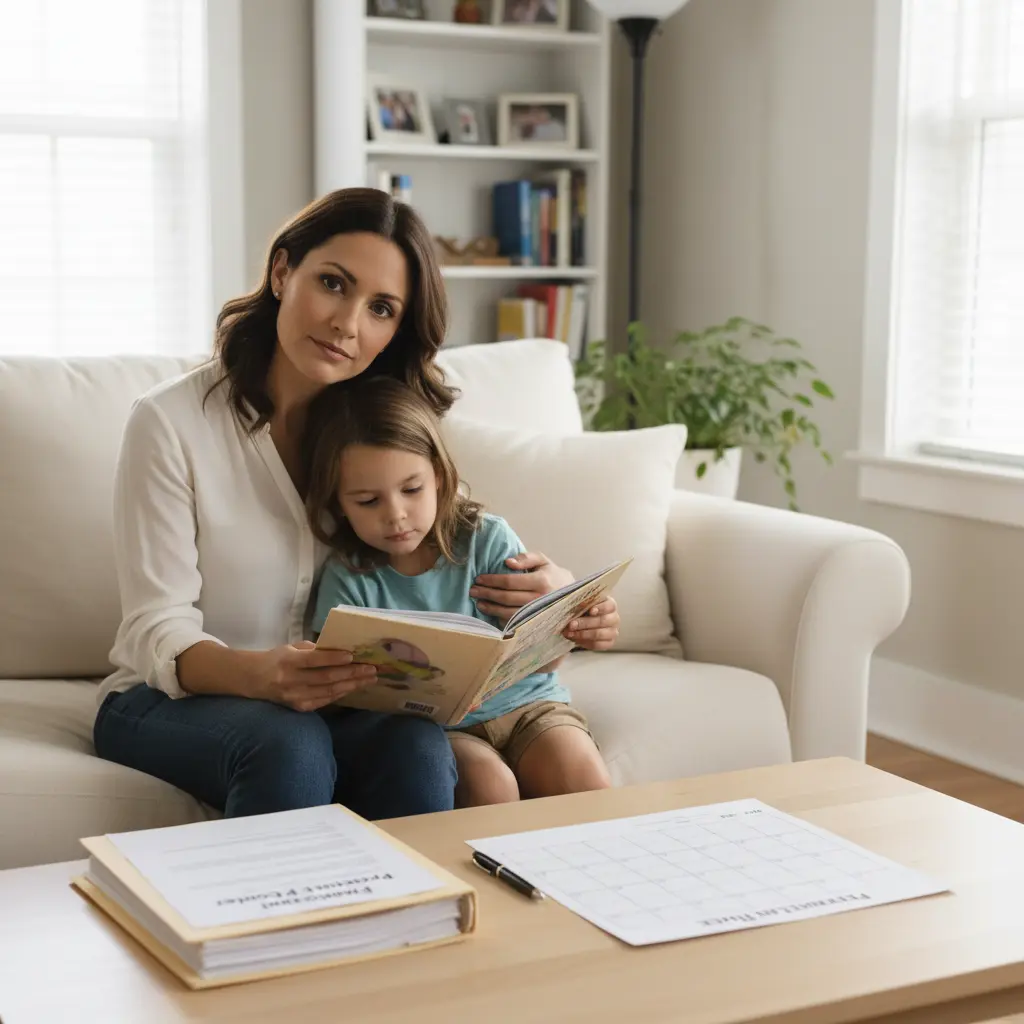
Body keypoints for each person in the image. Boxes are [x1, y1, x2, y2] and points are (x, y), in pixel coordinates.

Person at [93, 187, 620, 822]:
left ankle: (421, 918)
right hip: (172, 699)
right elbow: (157, 627)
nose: (348, 324)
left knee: (422, 750)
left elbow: (449, 535)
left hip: (340, 703)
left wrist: (556, 593)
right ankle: (276, 922)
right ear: (283, 272)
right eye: (333, 284)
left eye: (381, 308)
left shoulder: (381, 422)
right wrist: (262, 675)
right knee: (290, 744)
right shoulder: (170, 422)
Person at [305, 376, 615, 809]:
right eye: (367, 501)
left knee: (583, 779)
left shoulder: (487, 540)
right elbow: (338, 692)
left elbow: (547, 656)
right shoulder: (350, 576)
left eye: (412, 490)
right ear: (338, 502)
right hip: (444, 730)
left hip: (530, 706)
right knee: (491, 788)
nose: (396, 515)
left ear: (438, 475)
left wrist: (572, 627)